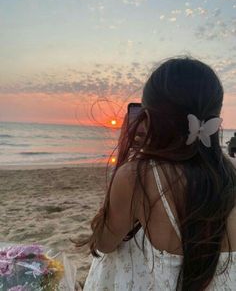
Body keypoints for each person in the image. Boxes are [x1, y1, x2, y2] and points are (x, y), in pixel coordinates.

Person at [81, 57, 236, 290]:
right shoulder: (230, 173)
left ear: (149, 116)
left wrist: (128, 155)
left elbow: (104, 243)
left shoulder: (138, 176)